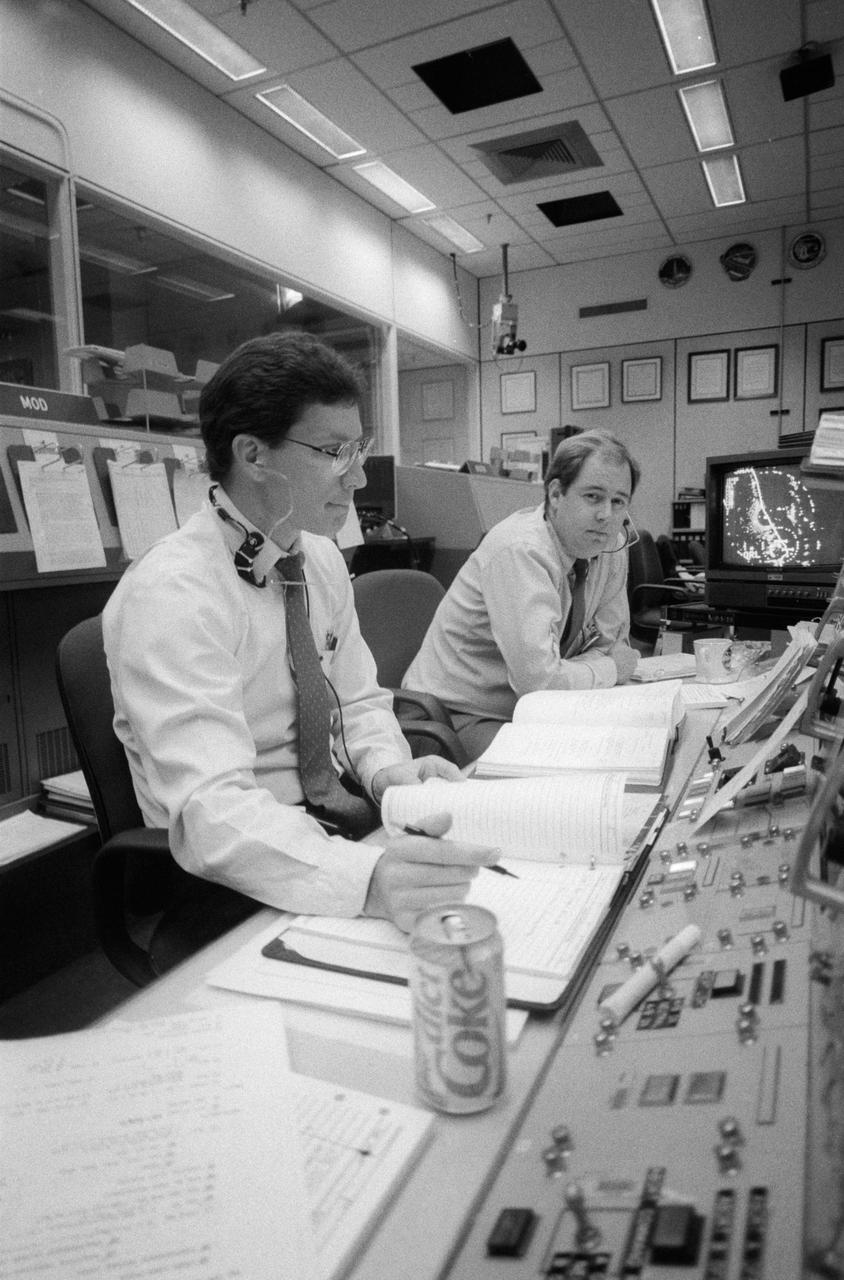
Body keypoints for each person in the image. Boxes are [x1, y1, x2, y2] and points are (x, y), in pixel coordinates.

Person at [103, 331, 496, 934]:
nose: (359, 479)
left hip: (335, 820)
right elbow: (213, 811)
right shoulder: (173, 592)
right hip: (237, 865)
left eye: (358, 448)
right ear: (253, 455)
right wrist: (366, 880)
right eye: (334, 452)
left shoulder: (317, 558)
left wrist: (390, 773)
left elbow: (358, 702)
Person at [403, 429, 641, 759]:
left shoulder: (611, 544)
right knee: (577, 764)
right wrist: (609, 669)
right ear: (556, 495)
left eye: (618, 501)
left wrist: (589, 668)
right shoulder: (521, 550)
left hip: (532, 710)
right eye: (593, 497)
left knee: (630, 745)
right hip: (453, 718)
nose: (606, 515)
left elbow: (613, 644)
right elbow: (541, 684)